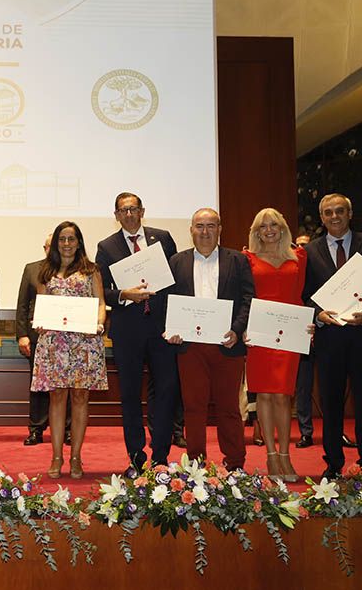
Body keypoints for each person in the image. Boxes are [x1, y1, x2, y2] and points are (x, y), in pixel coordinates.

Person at [303, 193, 362, 479]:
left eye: (340, 211)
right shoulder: (310, 251)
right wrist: (317, 313)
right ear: (322, 217)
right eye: (328, 212)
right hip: (329, 339)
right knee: (330, 404)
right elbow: (304, 294)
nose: (334, 216)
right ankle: (333, 463)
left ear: (350, 213)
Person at [165, 208, 255, 470]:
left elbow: (249, 299)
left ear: (220, 229)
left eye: (211, 226)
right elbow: (167, 301)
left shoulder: (238, 260)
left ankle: (236, 465)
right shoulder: (176, 262)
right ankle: (196, 466)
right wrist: (173, 328)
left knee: (229, 408)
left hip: (227, 345)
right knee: (193, 409)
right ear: (191, 230)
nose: (205, 232)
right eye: (199, 226)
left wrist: (237, 330)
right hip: (190, 348)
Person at [95, 192, 179, 472]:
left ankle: (161, 455)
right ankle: (136, 455)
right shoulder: (106, 247)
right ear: (116, 215)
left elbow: (177, 280)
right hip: (127, 331)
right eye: (123, 210)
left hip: (161, 329)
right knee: (130, 395)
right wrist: (123, 294)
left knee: (166, 391)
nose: (129, 214)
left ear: (142, 211)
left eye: (133, 209)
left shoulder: (162, 238)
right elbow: (101, 289)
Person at [31, 221, 107, 480]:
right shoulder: (45, 271)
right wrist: (38, 322)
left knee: (80, 398)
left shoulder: (91, 270)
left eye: (71, 239)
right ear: (55, 243)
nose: (66, 244)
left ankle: (75, 456)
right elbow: (41, 305)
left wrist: (98, 324)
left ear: (79, 242)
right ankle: (56, 456)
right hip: (54, 343)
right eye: (62, 239)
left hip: (84, 343)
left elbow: (100, 304)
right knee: (57, 398)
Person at [243, 208, 309, 481]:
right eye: (262, 226)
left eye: (273, 224)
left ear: (282, 228)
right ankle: (271, 456)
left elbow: (303, 293)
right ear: (256, 232)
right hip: (260, 333)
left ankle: (285, 455)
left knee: (284, 395)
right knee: (265, 396)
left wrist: (309, 323)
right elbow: (244, 296)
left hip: (290, 332)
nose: (268, 229)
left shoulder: (299, 257)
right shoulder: (247, 258)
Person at [16, 234, 70, 446]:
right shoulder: (32, 269)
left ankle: (66, 429)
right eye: (51, 246)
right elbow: (22, 305)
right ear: (45, 248)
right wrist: (22, 335)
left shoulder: (71, 270)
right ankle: (36, 429)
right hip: (38, 337)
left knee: (66, 384)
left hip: (68, 339)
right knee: (38, 385)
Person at [293, 234, 316, 449]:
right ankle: (305, 432)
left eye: (305, 245)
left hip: (325, 334)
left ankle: (336, 433)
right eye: (298, 245)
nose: (301, 249)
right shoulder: (292, 269)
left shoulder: (317, 269)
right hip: (298, 333)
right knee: (302, 387)